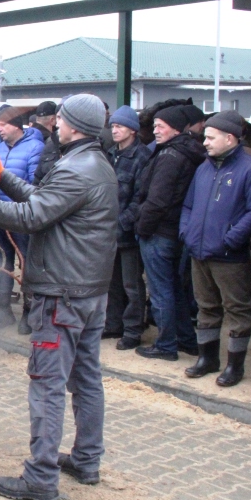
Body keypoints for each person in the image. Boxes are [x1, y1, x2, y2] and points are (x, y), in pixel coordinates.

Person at [0, 94, 118, 500]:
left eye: (60, 119)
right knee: (86, 380)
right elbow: (41, 199)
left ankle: (40, 479)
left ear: (71, 125)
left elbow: (32, 217)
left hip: (61, 296)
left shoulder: (76, 169)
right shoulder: (93, 163)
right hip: (87, 293)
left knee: (47, 385)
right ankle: (87, 461)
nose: (54, 123)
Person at [180, 111, 251, 387]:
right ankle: (208, 359)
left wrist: (232, 239)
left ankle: (234, 366)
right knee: (207, 306)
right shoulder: (204, 168)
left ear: (230, 138)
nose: (204, 142)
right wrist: (187, 232)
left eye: (210, 137)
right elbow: (188, 205)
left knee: (238, 309)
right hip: (199, 250)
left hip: (229, 255)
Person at [134, 106, 204, 361]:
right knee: (174, 289)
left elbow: (157, 201)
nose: (155, 131)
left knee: (161, 291)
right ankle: (187, 340)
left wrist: (142, 229)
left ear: (175, 128)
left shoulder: (170, 156)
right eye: (154, 126)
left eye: (161, 126)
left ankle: (166, 345)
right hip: (176, 232)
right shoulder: (187, 151)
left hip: (159, 233)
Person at [0, 105, 44, 334]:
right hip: (0, 215)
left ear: (16, 125)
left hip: (22, 217)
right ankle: (2, 310)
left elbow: (33, 184)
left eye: (3, 124)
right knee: (2, 262)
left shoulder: (35, 148)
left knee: (27, 264)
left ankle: (28, 313)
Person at [102, 106, 152, 350]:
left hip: (128, 233)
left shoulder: (142, 158)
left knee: (132, 284)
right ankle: (113, 324)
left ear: (132, 130)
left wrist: (122, 223)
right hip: (108, 232)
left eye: (119, 126)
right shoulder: (110, 154)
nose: (115, 130)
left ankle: (133, 330)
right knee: (112, 282)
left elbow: (140, 198)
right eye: (113, 126)